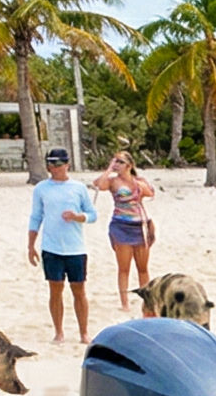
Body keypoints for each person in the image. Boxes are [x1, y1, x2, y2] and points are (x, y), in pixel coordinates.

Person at [27, 147, 95, 344]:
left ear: (67, 165)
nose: (53, 168)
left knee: (79, 290)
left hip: (76, 248)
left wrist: (78, 217)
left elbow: (92, 214)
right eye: (50, 164)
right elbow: (36, 217)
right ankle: (59, 332)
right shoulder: (41, 188)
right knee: (55, 290)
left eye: (57, 164)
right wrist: (30, 245)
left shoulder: (78, 188)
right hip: (51, 247)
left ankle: (83, 333)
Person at [92, 151, 156, 311]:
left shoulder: (139, 181)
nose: (117, 164)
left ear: (129, 165)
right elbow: (99, 184)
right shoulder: (113, 181)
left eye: (120, 162)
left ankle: (146, 301)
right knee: (124, 267)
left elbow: (150, 192)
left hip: (140, 225)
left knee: (142, 268)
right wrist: (109, 169)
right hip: (121, 225)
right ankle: (124, 302)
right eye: (116, 161)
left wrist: (137, 185)